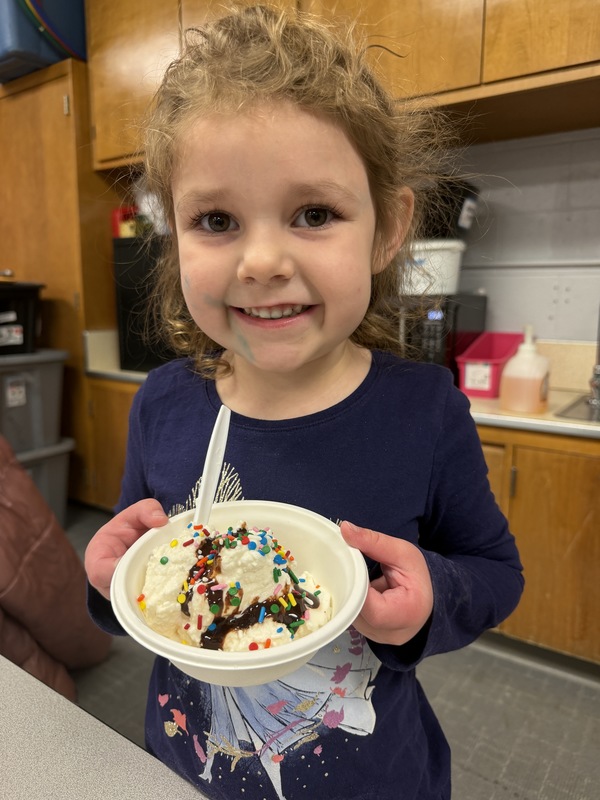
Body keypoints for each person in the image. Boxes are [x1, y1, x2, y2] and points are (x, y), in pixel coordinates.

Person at [85, 5, 523, 798]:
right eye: (216, 220)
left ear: (387, 228)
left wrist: (431, 595)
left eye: (313, 214)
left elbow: (494, 572)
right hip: (188, 766)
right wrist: (108, 578)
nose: (261, 261)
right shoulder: (163, 404)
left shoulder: (423, 412)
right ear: (175, 238)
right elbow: (139, 583)